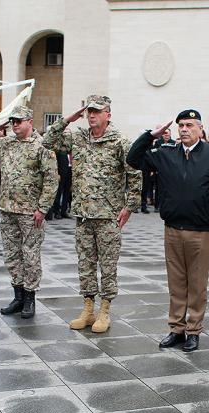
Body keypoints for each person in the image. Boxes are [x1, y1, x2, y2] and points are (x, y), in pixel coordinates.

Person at [127, 109, 209, 352]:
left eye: (190, 125)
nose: (184, 129)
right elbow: (133, 159)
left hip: (200, 232)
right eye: (181, 125)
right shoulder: (166, 153)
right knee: (176, 283)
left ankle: (193, 330)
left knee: (197, 285)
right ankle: (176, 329)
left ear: (201, 129)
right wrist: (150, 135)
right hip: (172, 230)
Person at [43, 94, 142, 333]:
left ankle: (104, 310)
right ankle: (88, 308)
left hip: (109, 216)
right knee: (85, 264)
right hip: (84, 215)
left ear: (108, 114)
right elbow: (48, 140)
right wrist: (69, 118)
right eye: (89, 111)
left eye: (97, 111)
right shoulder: (78, 138)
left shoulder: (119, 141)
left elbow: (135, 174)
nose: (92, 115)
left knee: (108, 266)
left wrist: (130, 206)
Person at [0, 106, 58, 319]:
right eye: (12, 121)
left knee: (30, 255)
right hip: (7, 209)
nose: (14, 125)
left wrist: (43, 208)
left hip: (30, 212)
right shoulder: (5, 144)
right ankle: (18, 296)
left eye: (18, 121)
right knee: (12, 255)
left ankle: (30, 298)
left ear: (30, 121)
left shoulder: (42, 145)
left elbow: (51, 180)